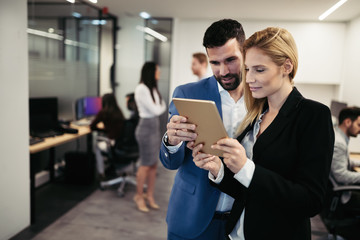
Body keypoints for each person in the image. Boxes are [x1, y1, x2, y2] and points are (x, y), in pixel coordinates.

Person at [192, 27, 335, 239]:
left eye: (259, 70)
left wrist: (245, 167)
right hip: (237, 234)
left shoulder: (313, 115)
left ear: (286, 66)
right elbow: (249, 192)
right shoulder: (256, 114)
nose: (249, 79)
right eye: (247, 69)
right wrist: (219, 170)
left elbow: (310, 201)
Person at [159, 19, 247, 239]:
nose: (223, 71)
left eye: (230, 60)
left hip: (243, 219)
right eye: (214, 63)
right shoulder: (187, 93)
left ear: (245, 52)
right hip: (192, 216)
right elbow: (170, 162)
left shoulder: (263, 97)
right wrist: (172, 141)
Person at [134, 62, 166, 213]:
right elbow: (157, 109)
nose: (159, 73)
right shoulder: (141, 89)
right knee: (145, 164)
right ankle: (139, 196)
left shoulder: (152, 88)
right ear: (151, 72)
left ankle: (150, 196)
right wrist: (159, 108)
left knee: (153, 164)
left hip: (154, 127)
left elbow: (162, 107)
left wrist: (159, 108)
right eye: (157, 71)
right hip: (146, 128)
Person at [330, 106, 360, 214]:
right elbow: (341, 176)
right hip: (342, 195)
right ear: (347, 122)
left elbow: (344, 161)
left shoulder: (339, 137)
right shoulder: (339, 143)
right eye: (358, 125)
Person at [90, 93, 125, 178]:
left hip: (112, 143)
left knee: (97, 146)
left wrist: (104, 131)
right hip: (122, 143)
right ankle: (110, 167)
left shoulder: (103, 112)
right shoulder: (118, 111)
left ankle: (101, 172)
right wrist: (107, 130)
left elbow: (92, 126)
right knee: (102, 142)